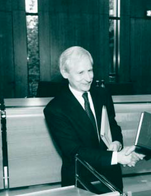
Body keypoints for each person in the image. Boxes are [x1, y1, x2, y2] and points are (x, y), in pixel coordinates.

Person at [44, 46, 141, 192]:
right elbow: (74, 151)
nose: (89, 78)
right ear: (65, 73)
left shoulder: (102, 94)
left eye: (90, 70)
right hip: (81, 181)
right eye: (81, 72)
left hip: (111, 177)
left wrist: (116, 142)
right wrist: (116, 158)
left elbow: (113, 125)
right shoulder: (55, 109)